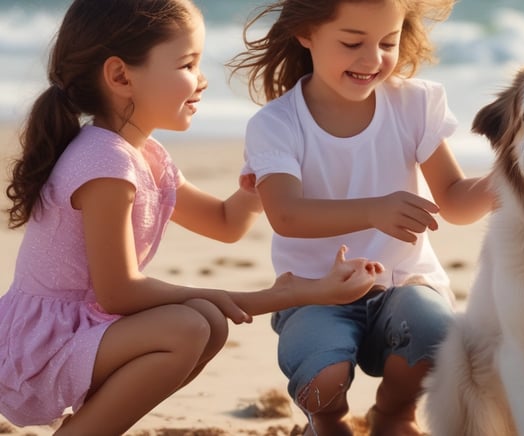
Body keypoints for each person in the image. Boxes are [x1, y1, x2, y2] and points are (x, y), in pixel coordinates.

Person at [0, 1, 384, 435]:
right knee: (189, 325)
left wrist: (257, 186)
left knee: (206, 324)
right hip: (43, 344)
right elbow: (119, 292)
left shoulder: (145, 156)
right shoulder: (105, 165)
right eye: (187, 64)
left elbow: (223, 223)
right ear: (121, 76)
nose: (202, 81)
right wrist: (290, 293)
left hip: (84, 328)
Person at [228, 0, 496, 434]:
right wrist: (374, 210)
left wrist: (506, 181)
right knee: (322, 376)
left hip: (404, 288)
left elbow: (455, 200)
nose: (372, 59)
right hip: (315, 295)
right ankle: (327, 419)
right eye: (352, 42)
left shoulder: (413, 105)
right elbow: (286, 214)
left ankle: (393, 413)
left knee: (438, 336)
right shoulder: (276, 124)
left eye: (387, 42)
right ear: (306, 33)